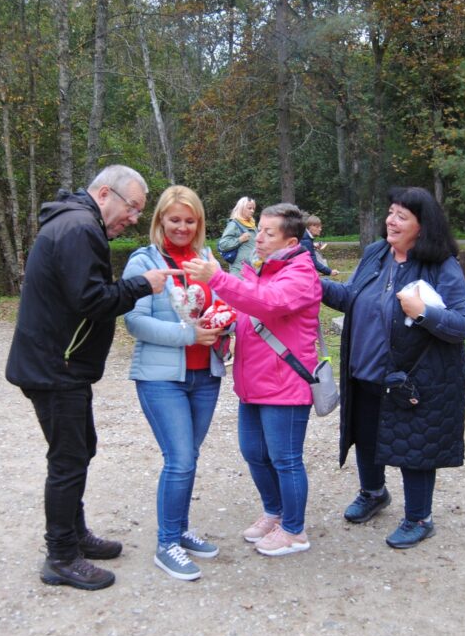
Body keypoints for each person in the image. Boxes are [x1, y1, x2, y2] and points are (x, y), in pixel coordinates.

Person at [5, 165, 180, 590]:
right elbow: (91, 301)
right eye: (133, 207)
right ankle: (61, 555)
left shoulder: (74, 222)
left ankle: (74, 534)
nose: (135, 217)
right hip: (55, 367)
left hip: (59, 364)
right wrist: (142, 285)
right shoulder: (80, 227)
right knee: (68, 460)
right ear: (105, 194)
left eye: (139, 210)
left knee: (81, 450)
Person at [321, 187, 465, 549]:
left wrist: (422, 312)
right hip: (366, 368)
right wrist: (315, 284)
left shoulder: (441, 265)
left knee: (415, 446)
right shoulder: (376, 254)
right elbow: (349, 297)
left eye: (402, 216)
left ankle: (419, 517)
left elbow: (464, 324)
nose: (391, 221)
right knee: (365, 432)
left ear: (422, 226)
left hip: (415, 377)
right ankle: (373, 493)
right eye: (390, 212)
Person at [183, 203, 321, 557]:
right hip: (253, 383)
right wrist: (222, 325)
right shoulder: (260, 269)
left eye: (268, 232)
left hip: (285, 384)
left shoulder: (300, 273)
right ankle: (275, 514)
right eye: (258, 229)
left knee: (285, 458)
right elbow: (248, 311)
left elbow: (269, 303)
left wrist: (215, 277)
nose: (258, 237)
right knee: (255, 454)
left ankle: (294, 530)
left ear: (290, 241)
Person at [121, 186, 228, 581]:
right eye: (174, 219)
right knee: (180, 459)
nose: (182, 227)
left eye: (190, 220)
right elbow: (134, 321)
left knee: (189, 459)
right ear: (160, 220)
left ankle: (180, 530)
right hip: (162, 377)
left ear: (199, 223)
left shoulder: (206, 259)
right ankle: (167, 544)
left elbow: (225, 301)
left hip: (206, 374)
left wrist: (223, 321)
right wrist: (188, 335)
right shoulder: (144, 261)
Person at [217, 196, 257, 277]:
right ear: (241, 208)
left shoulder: (253, 225)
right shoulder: (234, 224)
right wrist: (240, 240)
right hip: (239, 271)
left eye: (253, 208)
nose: (252, 211)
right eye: (249, 208)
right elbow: (223, 244)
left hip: (253, 270)